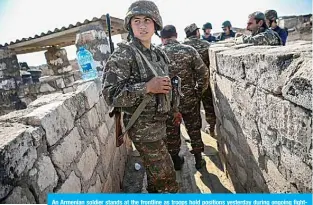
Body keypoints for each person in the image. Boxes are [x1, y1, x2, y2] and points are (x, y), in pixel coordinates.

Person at [102, 0, 178, 193]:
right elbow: (111, 95)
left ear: (156, 24)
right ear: (130, 24)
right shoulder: (124, 54)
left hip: (161, 123)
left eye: (147, 20)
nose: (142, 25)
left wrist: (174, 109)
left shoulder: (157, 54)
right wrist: (147, 87)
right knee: (167, 181)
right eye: (137, 21)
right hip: (144, 130)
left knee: (157, 178)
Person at [160, 25, 209, 170]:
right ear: (176, 35)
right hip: (189, 99)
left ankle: (176, 161)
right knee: (194, 129)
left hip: (168, 102)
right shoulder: (189, 50)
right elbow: (204, 74)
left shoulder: (157, 54)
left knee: (172, 132)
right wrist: (198, 92)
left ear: (162, 39)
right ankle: (199, 160)